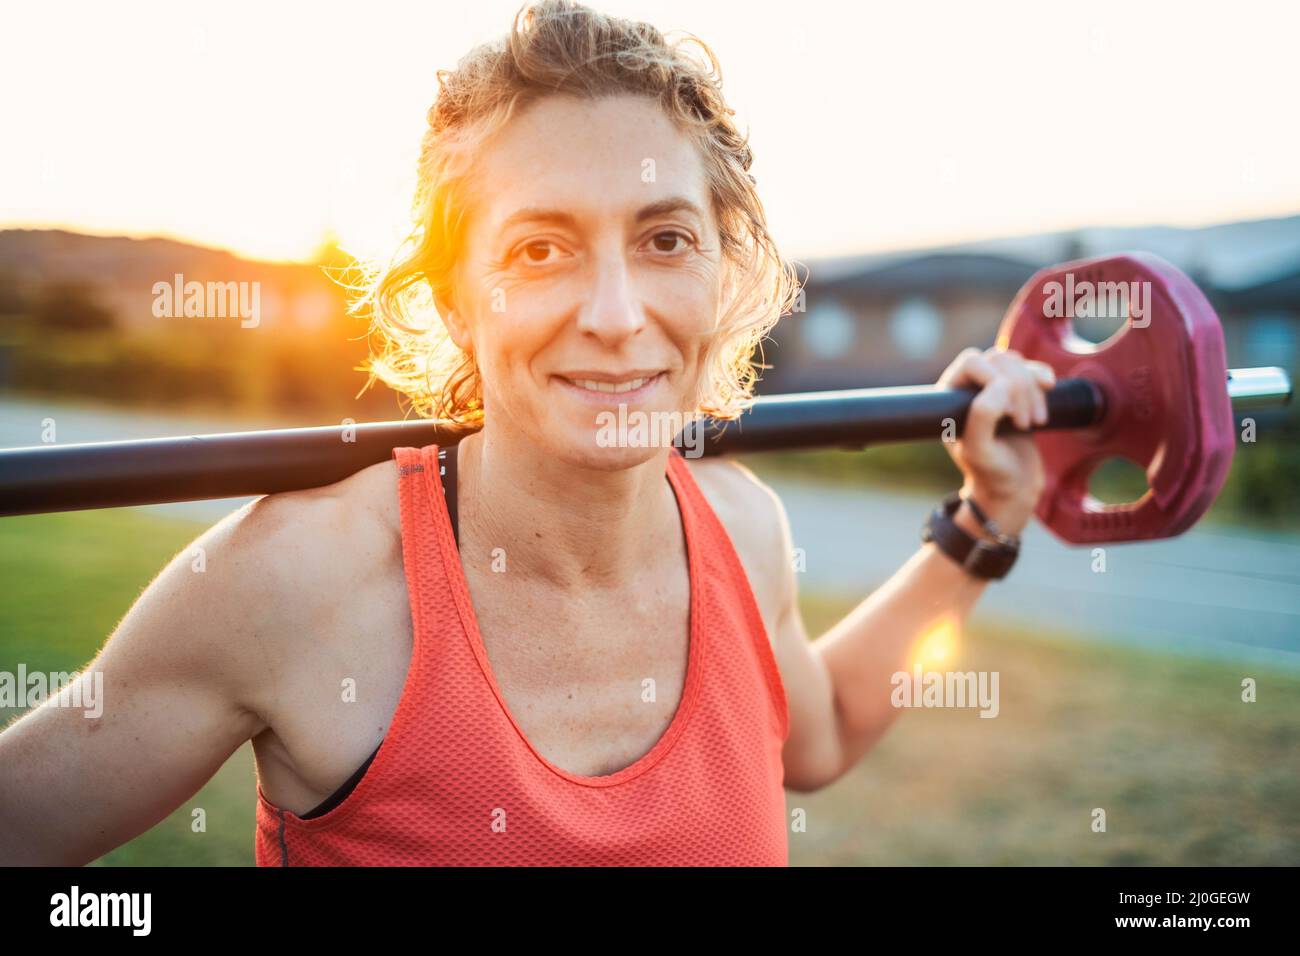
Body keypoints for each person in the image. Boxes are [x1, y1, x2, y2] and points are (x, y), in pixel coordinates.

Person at [0, 0, 1055, 866]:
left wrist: (984, 517)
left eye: (664, 238)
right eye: (541, 247)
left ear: (721, 273)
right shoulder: (300, 579)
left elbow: (814, 735)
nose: (612, 312)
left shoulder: (743, 526)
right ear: (454, 297)